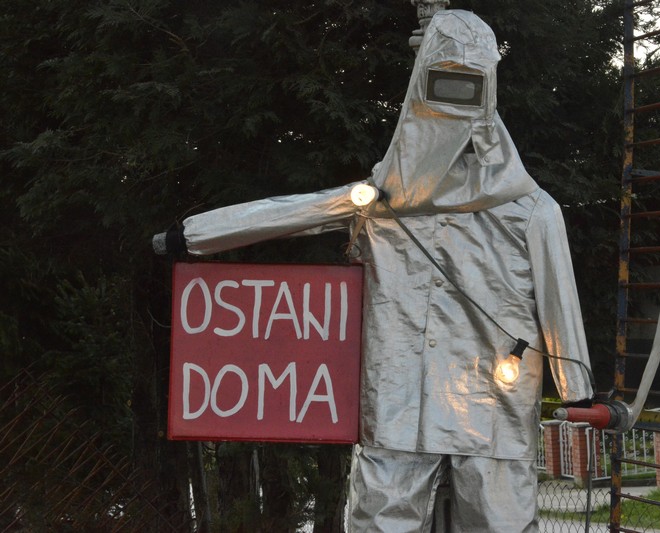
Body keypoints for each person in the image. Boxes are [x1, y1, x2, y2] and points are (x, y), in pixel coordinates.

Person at [155, 10, 594, 532]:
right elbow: (295, 213)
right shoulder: (384, 201)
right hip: (405, 403)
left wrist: (579, 391)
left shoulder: (528, 210)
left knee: (491, 520)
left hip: (481, 409)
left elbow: (559, 302)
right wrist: (195, 235)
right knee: (390, 519)